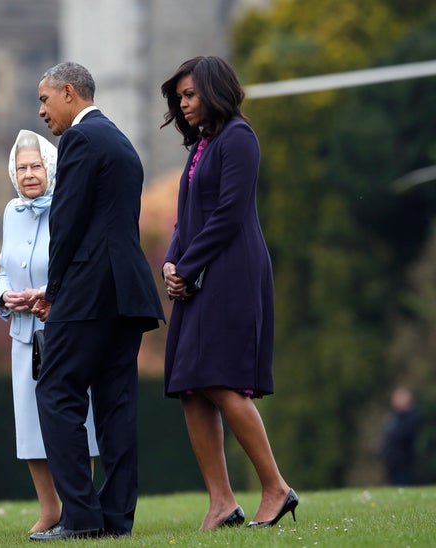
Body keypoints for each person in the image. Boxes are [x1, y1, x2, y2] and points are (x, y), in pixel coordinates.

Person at [28, 62, 164, 541]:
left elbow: (66, 224)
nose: (42, 110)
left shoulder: (80, 141)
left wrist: (56, 290)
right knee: (116, 404)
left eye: (45, 100)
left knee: (56, 391)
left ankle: (81, 518)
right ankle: (116, 520)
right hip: (127, 294)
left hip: (88, 292)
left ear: (69, 93)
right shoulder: (121, 140)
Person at [160, 56, 296, 530]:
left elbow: (228, 214)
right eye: (179, 97)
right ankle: (222, 503)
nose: (183, 104)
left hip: (232, 273)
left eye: (190, 94)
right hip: (198, 276)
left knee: (219, 379)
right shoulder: (202, 145)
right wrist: (171, 264)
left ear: (215, 91)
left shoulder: (238, 138)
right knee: (190, 388)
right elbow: (187, 218)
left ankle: (276, 488)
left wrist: (189, 266)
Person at [0, 129, 99, 533]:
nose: (29, 174)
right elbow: (3, 267)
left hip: (63, 331)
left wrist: (47, 292)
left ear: (51, 168)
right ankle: (49, 510)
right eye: (22, 168)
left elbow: (77, 266)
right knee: (30, 429)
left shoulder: (67, 207)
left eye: (36, 165)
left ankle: (81, 506)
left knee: (76, 424)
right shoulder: (10, 212)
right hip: (23, 335)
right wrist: (5, 298)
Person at [380, 387, 421, 485]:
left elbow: (401, 434)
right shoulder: (395, 417)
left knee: (403, 481)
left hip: (403, 457)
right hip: (391, 458)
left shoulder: (412, 416)